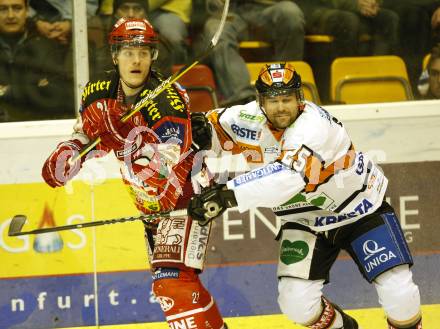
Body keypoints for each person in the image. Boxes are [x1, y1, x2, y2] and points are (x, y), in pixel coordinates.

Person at [188, 63, 423, 329]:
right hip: (304, 221)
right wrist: (196, 136)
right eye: (273, 101)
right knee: (296, 303)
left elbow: (288, 177)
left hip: (360, 209)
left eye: (287, 99)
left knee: (399, 293)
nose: (280, 107)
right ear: (260, 102)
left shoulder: (314, 126)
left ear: (299, 99)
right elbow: (209, 128)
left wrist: (226, 196)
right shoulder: (246, 118)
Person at [41, 17, 226, 329]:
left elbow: (165, 165)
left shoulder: (168, 99)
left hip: (186, 197)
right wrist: (73, 151)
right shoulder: (97, 93)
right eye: (128, 52)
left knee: (171, 284)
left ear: (153, 56)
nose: (136, 59)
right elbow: (89, 134)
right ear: (115, 56)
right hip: (149, 207)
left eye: (143, 52)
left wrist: (132, 147)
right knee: (176, 286)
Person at [198, 0, 305, 107]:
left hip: (271, 7)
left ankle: (286, 90)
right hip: (231, 11)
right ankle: (244, 102)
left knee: (290, 14)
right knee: (216, 31)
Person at [0, 0, 73, 121]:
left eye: (17, 8)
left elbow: (59, 97)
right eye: (3, 9)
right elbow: (43, 96)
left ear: (27, 10)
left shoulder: (46, 47)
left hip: (36, 127)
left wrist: (7, 91)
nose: (11, 15)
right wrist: (34, 88)